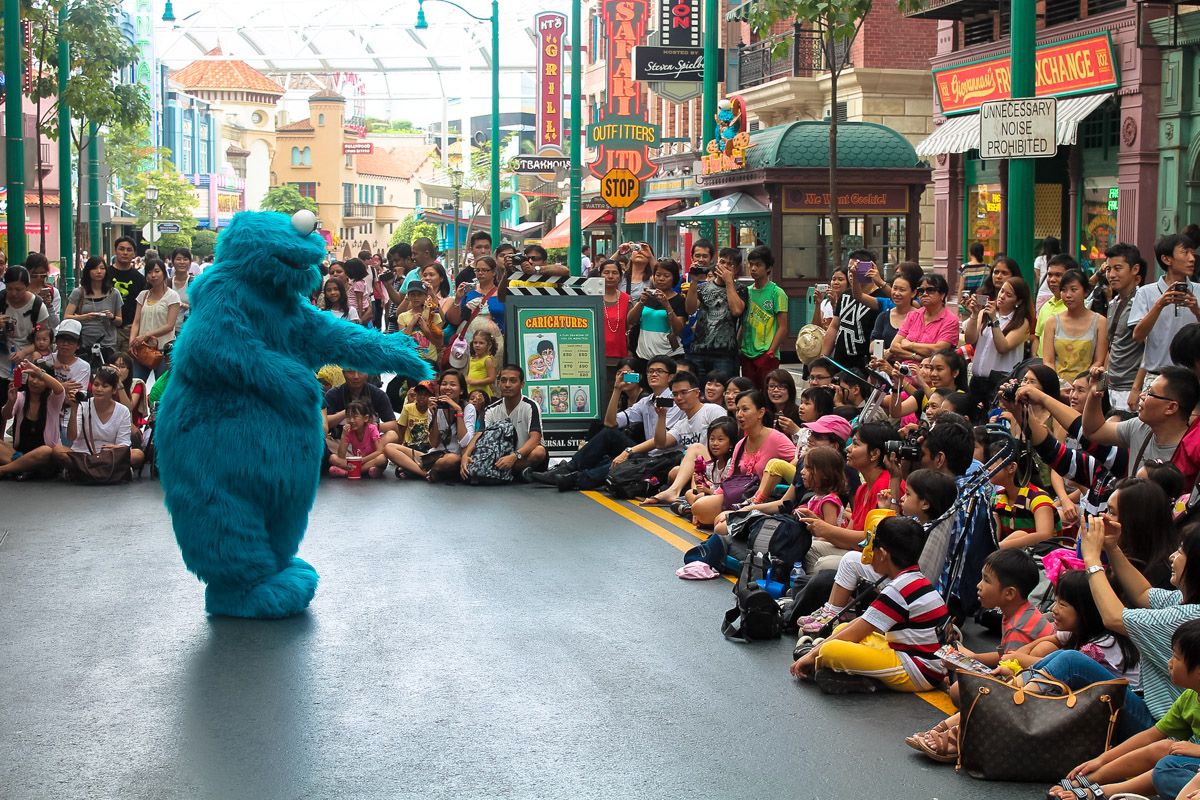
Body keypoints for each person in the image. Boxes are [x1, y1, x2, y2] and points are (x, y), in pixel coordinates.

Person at [790, 516, 950, 694]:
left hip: (919, 671)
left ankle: (864, 679)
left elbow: (858, 629)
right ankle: (847, 673)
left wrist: (812, 655)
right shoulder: (914, 579)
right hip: (918, 658)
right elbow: (857, 626)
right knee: (842, 628)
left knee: (830, 650)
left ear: (882, 554)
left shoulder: (898, 590)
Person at [1048, 619, 1200, 800]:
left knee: (1167, 770)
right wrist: (1102, 760)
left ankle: (1103, 793)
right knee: (1164, 747)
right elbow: (1151, 735)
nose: (1170, 662)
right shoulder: (1190, 697)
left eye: (1176, 657)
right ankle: (1090, 780)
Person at [532, 357, 684, 491]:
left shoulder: (675, 402)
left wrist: (628, 451)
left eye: (659, 371)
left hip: (664, 458)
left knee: (624, 460)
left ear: (670, 377)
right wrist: (617, 389)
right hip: (647, 452)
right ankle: (568, 468)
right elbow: (610, 423)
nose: (654, 374)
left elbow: (662, 441)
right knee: (609, 433)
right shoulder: (646, 402)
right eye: (650, 371)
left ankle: (574, 478)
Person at [690, 389, 797, 527]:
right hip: (740, 496)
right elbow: (730, 479)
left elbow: (799, 460)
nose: (740, 414)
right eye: (738, 410)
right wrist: (712, 498)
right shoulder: (741, 444)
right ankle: (727, 516)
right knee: (699, 506)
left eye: (745, 409)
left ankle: (731, 518)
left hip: (765, 501)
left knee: (720, 526)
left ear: (761, 412)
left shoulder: (776, 438)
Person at [1082, 366, 1200, 484]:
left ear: (1171, 407)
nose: (1141, 396)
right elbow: (1094, 431)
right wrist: (1094, 394)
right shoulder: (1141, 427)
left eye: (1150, 393)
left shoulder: (1192, 452)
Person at [1132, 233, 1200, 392]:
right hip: (1156, 376)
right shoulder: (1145, 293)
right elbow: (1138, 336)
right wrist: (1159, 305)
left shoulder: (1198, 291)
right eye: (1185, 252)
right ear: (1167, 259)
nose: (1192, 258)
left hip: (1193, 376)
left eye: (1193, 252)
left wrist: (1196, 310)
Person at [461, 365, 548, 481]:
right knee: (465, 453)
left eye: (513, 381)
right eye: (503, 380)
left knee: (539, 452)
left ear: (522, 384)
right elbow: (479, 435)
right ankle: (515, 474)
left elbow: (535, 438)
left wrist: (515, 456)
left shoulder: (531, 406)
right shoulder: (491, 409)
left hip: (522, 457)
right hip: (499, 458)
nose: (507, 385)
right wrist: (466, 455)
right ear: (499, 384)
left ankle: (501, 473)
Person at [963, 275, 1033, 407]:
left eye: (1009, 295)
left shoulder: (1022, 322)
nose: (1002, 296)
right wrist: (974, 314)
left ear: (1018, 301)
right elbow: (970, 339)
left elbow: (1003, 347)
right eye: (1001, 291)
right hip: (977, 380)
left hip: (1000, 382)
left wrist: (994, 320)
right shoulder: (985, 313)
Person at [823, 250, 891, 371]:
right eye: (849, 269)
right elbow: (834, 326)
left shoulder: (882, 298)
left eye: (856, 269)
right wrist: (824, 357)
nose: (851, 273)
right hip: (841, 361)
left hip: (864, 363)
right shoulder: (845, 295)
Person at [686, 246, 746, 382]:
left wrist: (729, 281)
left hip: (725, 354)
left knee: (723, 392)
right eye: (722, 262)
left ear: (736, 269)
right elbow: (689, 309)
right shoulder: (703, 287)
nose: (725, 266)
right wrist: (694, 282)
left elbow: (737, 310)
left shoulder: (741, 289)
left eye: (730, 264)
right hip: (698, 351)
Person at [0, 358, 65, 479]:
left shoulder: (52, 400)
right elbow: (6, 415)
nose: (34, 381)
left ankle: (5, 469)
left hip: (45, 458)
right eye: (32, 376)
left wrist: (37, 370)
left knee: (45, 451)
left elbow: (60, 389)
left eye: (40, 379)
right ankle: (22, 469)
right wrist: (10, 401)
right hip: (18, 455)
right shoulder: (20, 397)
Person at [990, 442, 1062, 549]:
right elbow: (994, 536)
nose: (989, 468)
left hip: (1043, 558)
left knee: (1020, 534)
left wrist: (998, 547)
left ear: (1012, 467)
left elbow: (1045, 536)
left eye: (993, 462)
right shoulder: (996, 499)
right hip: (1015, 557)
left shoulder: (1039, 499)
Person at [1101, 243, 1146, 413]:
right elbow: (1112, 346)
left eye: (1117, 268)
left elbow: (1150, 349)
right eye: (1108, 269)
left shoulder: (1142, 302)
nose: (1111, 275)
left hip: (1131, 388)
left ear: (1135, 270)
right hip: (1114, 386)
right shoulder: (1113, 302)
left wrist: (1136, 389)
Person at [1045, 268, 1109, 382]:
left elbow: (1099, 360)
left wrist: (1083, 383)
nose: (1068, 295)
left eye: (1074, 290)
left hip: (1087, 385)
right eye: (1064, 290)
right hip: (1057, 385)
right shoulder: (1052, 322)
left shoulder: (1100, 322)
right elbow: (1048, 361)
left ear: (1085, 292)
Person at [739, 246, 788, 389]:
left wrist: (770, 352)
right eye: (751, 264)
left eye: (758, 265)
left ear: (768, 268)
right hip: (747, 354)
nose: (753, 268)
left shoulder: (777, 292)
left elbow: (783, 327)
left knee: (768, 394)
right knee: (749, 394)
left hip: (766, 354)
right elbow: (743, 322)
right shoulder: (746, 292)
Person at [128, 260, 181, 382]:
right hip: (142, 349)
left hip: (163, 351)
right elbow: (136, 321)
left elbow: (169, 325)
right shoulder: (143, 295)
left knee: (160, 390)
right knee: (136, 384)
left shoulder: (172, 296)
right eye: (150, 272)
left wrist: (145, 335)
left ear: (164, 273)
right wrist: (132, 341)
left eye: (157, 271)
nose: (153, 275)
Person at [889, 273, 959, 364]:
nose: (925, 294)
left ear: (942, 294)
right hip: (904, 372)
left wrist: (910, 345)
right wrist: (915, 357)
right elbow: (894, 346)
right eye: (921, 291)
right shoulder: (912, 316)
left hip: (931, 374)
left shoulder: (950, 320)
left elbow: (939, 350)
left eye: (930, 290)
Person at [65, 255, 122, 366]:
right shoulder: (79, 292)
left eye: (102, 268)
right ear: (88, 271)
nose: (99, 271)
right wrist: (85, 317)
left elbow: (119, 320)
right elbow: (66, 316)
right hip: (84, 343)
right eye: (95, 268)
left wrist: (111, 317)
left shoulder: (114, 293)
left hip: (107, 343)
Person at [630, 258, 686, 361]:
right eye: (658, 275)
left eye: (666, 276)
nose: (661, 279)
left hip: (669, 356)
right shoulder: (647, 296)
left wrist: (667, 305)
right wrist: (641, 302)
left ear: (674, 278)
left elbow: (678, 329)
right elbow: (631, 320)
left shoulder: (679, 300)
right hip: (643, 355)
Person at [425, 369, 476, 481]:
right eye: (444, 384)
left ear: (461, 390)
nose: (447, 388)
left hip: (452, 457)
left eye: (453, 385)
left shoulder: (468, 408)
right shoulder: (435, 406)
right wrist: (434, 415)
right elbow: (434, 443)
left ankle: (417, 470)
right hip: (433, 456)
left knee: (452, 459)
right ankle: (429, 472)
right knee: (391, 448)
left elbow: (465, 442)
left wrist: (458, 411)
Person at [1, 267, 51, 381]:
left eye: (19, 289)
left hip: (27, 370)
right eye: (9, 289)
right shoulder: (1, 300)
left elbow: (46, 339)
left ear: (27, 286)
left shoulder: (37, 306)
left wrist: (24, 352)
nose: (14, 293)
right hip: (2, 367)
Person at [385, 380, 438, 478]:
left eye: (426, 395)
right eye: (419, 394)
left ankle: (410, 470)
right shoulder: (408, 408)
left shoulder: (436, 410)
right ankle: (418, 471)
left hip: (427, 449)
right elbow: (401, 430)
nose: (422, 397)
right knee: (390, 449)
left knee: (401, 470)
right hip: (410, 447)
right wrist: (399, 447)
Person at [866, 262, 922, 352]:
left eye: (902, 290)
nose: (896, 293)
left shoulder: (920, 317)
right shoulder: (883, 316)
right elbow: (873, 345)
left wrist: (893, 352)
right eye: (894, 288)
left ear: (913, 293)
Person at [447, 255, 506, 336]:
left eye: (484, 270)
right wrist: (458, 299)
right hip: (469, 341)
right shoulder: (469, 293)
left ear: (494, 272)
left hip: (496, 342)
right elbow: (454, 320)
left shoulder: (501, 294)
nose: (480, 273)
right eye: (477, 270)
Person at [329, 399, 387, 478]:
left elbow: (379, 451)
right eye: (348, 417)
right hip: (356, 461)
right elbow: (341, 456)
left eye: (355, 417)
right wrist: (343, 436)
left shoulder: (372, 429)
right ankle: (362, 471)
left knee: (382, 458)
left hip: (369, 460)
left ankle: (349, 472)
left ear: (365, 418)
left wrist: (362, 460)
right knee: (333, 458)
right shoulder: (349, 432)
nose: (351, 420)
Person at [106, 236, 145, 353]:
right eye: (121, 249)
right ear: (115, 251)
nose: (125, 253)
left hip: (130, 329)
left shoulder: (140, 278)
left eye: (129, 250)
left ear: (134, 253)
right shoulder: (105, 274)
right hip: (107, 328)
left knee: (126, 366)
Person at [1031, 254, 1072, 358]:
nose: (1052, 279)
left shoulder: (1077, 306)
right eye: (1049, 275)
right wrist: (1034, 355)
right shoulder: (1045, 306)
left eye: (1058, 275)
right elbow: (1037, 336)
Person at [396, 281, 443, 369]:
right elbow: (401, 341)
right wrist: (410, 325)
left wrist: (425, 330)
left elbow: (439, 343)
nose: (416, 298)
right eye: (413, 295)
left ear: (426, 296)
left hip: (430, 361)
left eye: (420, 295)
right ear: (408, 296)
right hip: (410, 361)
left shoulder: (434, 315)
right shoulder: (403, 317)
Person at [600, 259, 631, 379]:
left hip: (621, 357)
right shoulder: (592, 298)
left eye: (614, 273)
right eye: (606, 272)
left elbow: (631, 327)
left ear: (620, 276)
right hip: (596, 356)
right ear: (600, 275)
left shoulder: (626, 299)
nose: (610, 276)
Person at [24, 253, 60, 331]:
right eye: (34, 275)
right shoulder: (22, 291)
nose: (38, 279)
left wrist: (49, 306)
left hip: (45, 337)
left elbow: (54, 323)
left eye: (43, 275)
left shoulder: (53, 292)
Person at [466, 327, 498, 398]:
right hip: (470, 391)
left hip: (482, 393)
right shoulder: (471, 359)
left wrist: (475, 382)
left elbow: (492, 379)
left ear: (488, 345)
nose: (477, 345)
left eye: (481, 343)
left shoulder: (487, 360)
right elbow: (468, 374)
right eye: (475, 342)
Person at [1035, 235, 1062, 313]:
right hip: (1056, 294)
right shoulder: (1060, 259)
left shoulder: (1039, 259)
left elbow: (1037, 278)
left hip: (1042, 293)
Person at [169, 248, 193, 335]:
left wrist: (183, 305)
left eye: (185, 259)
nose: (182, 262)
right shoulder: (167, 283)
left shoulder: (194, 284)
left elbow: (200, 307)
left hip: (187, 331)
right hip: (167, 331)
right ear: (173, 262)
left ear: (190, 263)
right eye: (178, 259)